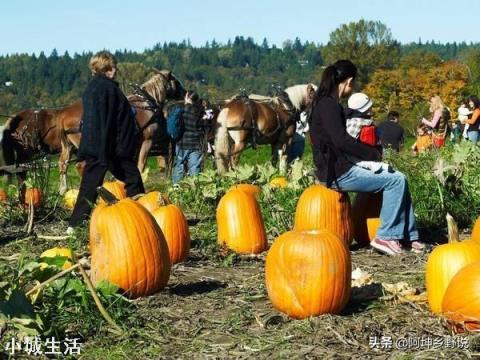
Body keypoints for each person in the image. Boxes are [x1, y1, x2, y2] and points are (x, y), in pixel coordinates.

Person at [309, 59, 426, 256]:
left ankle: (408, 236)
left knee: (399, 177)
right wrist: (373, 154)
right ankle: (386, 236)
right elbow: (341, 141)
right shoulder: (330, 106)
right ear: (348, 82)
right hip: (338, 173)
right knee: (395, 181)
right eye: (352, 84)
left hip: (336, 168)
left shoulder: (323, 104)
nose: (352, 88)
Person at [68, 51, 144, 229]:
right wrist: (103, 153)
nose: (116, 70)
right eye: (114, 66)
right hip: (110, 148)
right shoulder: (107, 89)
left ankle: (75, 225)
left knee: (91, 184)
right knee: (132, 180)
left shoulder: (92, 88)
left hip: (103, 147)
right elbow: (105, 121)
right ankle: (140, 217)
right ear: (107, 68)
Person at [345, 92, 392, 173]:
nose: (371, 110)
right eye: (369, 108)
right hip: (357, 160)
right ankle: (370, 165)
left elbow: (379, 140)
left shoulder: (369, 122)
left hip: (371, 155)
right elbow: (347, 145)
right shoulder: (355, 122)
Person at [172, 91, 204, 184]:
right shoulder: (199, 111)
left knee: (179, 165)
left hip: (181, 143)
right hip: (196, 144)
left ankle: (176, 188)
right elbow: (205, 126)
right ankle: (195, 189)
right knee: (195, 167)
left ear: (187, 98)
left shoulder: (180, 110)